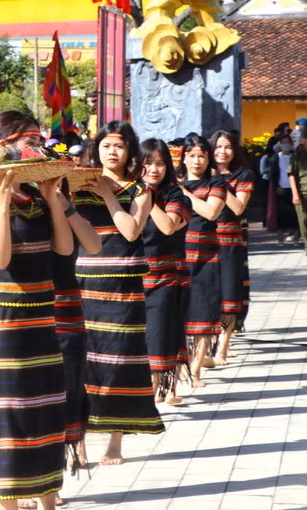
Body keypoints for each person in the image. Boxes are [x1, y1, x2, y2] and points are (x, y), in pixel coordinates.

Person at [0, 111, 72, 510]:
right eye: (25, 139)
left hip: (42, 319)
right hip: (6, 326)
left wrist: (52, 198)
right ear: (2, 146)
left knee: (47, 412)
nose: (34, 146)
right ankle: (9, 503)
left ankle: (48, 502)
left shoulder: (38, 196)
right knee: (11, 418)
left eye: (36, 138)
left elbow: (64, 250)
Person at [75, 121, 165, 466]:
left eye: (119, 146)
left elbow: (130, 231)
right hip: (82, 284)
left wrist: (108, 195)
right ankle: (78, 441)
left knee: (120, 364)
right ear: (96, 149)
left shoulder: (140, 189)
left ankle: (115, 442)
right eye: (106, 145)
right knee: (82, 364)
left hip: (123, 288)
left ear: (129, 152)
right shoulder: (76, 185)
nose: (112, 151)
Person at [53, 178, 101, 470]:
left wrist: (65, 206)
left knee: (71, 383)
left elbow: (94, 245)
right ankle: (43, 472)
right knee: (37, 392)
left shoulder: (68, 207)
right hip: (28, 310)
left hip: (66, 307)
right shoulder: (18, 209)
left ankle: (73, 443)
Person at [140, 138, 191, 406]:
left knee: (160, 332)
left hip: (166, 277)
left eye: (160, 164)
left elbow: (169, 226)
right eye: (148, 163)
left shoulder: (175, 195)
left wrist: (147, 196)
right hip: (134, 276)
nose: (154, 169)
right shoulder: (128, 193)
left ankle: (156, 389)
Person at [177, 133, 226, 388]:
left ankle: (196, 370)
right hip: (179, 256)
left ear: (208, 159)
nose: (196, 161)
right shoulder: (171, 183)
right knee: (182, 315)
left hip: (207, 256)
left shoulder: (216, 183)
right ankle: (184, 365)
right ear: (183, 157)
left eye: (201, 156)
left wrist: (184, 193)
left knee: (205, 313)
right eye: (191, 155)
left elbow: (210, 211)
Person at [211, 131, 252, 363]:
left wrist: (217, 183)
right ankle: (207, 343)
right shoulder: (200, 173)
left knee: (229, 295)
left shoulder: (242, 175)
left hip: (229, 242)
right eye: (217, 147)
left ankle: (223, 347)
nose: (222, 151)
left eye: (227, 147)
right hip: (203, 242)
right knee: (208, 295)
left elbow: (237, 208)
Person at [269, 135, 298, 242]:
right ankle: (280, 238)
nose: (286, 144)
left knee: (294, 214)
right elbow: (273, 174)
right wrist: (276, 186)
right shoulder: (276, 157)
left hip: (293, 189)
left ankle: (295, 237)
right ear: (280, 144)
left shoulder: (295, 157)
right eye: (284, 142)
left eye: (288, 142)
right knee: (280, 214)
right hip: (281, 189)